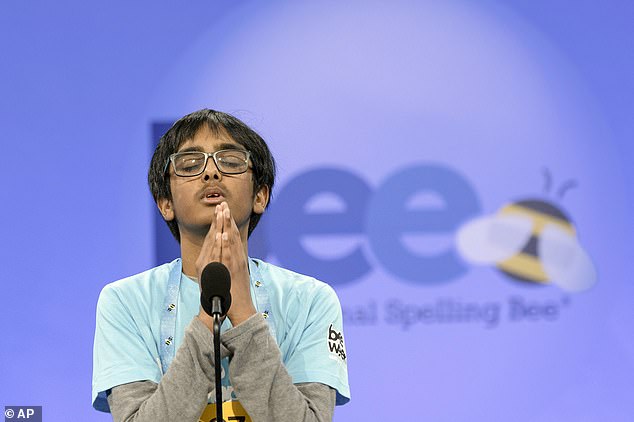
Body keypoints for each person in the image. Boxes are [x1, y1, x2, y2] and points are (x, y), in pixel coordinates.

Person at [92, 109, 350, 422]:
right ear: (166, 204)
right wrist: (205, 318)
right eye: (190, 164)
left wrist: (243, 314)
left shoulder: (310, 299)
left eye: (230, 162)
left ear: (261, 196)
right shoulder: (125, 300)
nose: (211, 173)